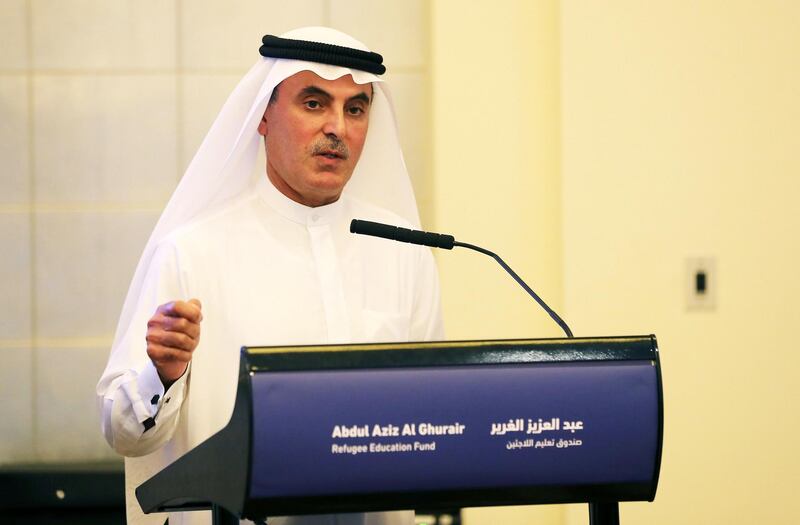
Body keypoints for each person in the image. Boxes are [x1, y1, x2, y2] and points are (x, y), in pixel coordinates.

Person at [96, 27, 444, 525]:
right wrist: (162, 374)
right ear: (263, 115)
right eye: (313, 102)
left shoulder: (404, 250)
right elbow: (125, 433)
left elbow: (432, 417)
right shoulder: (192, 251)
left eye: (355, 109)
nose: (337, 128)